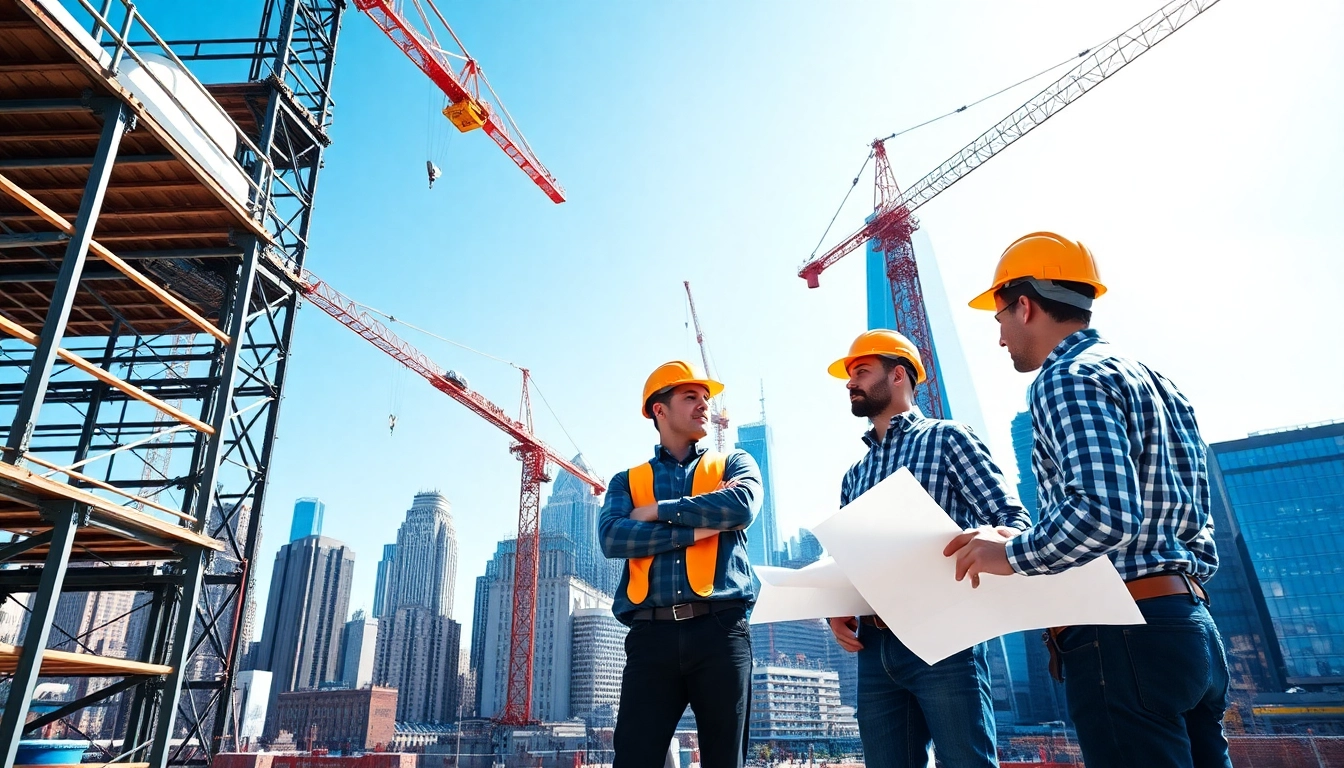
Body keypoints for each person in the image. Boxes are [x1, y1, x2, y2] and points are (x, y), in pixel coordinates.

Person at [946, 231, 1231, 768]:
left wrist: (1007, 555)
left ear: (1024, 306)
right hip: (1190, 625)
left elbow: (1105, 513)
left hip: (1121, 634)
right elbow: (1188, 525)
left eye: (1001, 318)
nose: (1001, 337)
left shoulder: (1066, 377)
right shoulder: (1158, 383)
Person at [826, 329, 1029, 768]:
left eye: (861, 371)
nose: (850, 383)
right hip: (876, 647)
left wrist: (983, 541)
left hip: (947, 637)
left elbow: (1013, 522)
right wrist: (837, 604)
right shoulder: (853, 475)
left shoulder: (947, 439)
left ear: (898, 375)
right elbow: (850, 561)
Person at [599, 360, 762, 768]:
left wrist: (657, 511)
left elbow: (741, 506)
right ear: (659, 410)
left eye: (705, 397)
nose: (704, 405)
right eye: (691, 396)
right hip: (650, 636)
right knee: (635, 759)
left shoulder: (733, 463)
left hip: (721, 630)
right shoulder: (626, 481)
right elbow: (613, 537)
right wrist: (695, 530)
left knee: (726, 761)